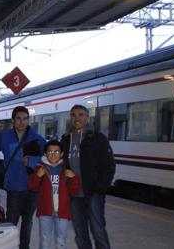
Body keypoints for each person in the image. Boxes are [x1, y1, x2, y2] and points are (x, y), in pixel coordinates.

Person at [61, 105, 116, 249]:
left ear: (88, 117)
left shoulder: (98, 139)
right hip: (74, 195)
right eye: (73, 115)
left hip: (93, 194)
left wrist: (100, 188)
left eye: (80, 115)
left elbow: (109, 166)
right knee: (80, 233)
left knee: (98, 231)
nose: (76, 118)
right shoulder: (66, 140)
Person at [0, 105, 46, 249]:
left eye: (25, 119)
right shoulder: (3, 137)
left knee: (27, 220)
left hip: (32, 187)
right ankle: (9, 246)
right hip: (13, 186)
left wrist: (32, 161)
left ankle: (24, 247)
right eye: (18, 119)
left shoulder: (37, 139)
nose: (21, 122)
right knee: (11, 221)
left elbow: (49, 160)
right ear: (13, 120)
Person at [28, 140, 81, 249]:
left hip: (62, 212)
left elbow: (74, 191)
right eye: (50, 151)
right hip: (45, 212)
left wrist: (74, 178)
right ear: (45, 153)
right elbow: (32, 187)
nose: (53, 154)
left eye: (56, 152)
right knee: (44, 241)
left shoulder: (66, 169)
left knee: (61, 241)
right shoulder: (40, 168)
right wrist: (38, 176)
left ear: (61, 154)